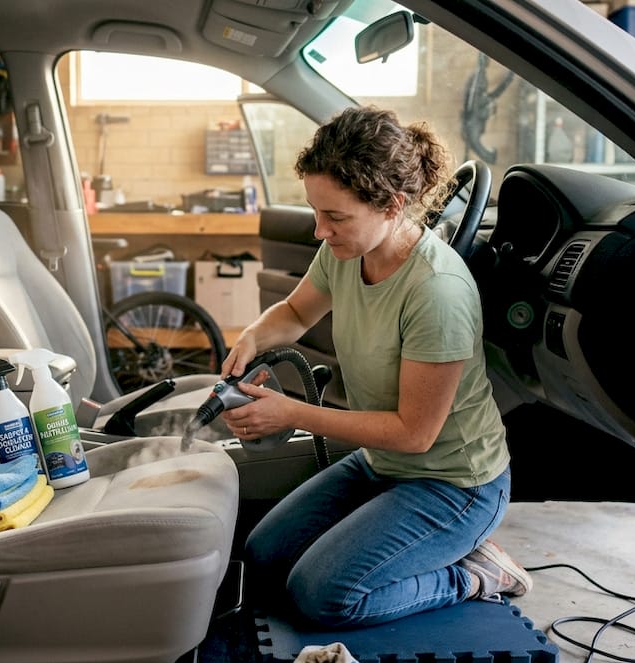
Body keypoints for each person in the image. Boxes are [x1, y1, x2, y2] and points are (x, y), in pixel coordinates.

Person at [221, 106, 530, 628]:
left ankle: (475, 574)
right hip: (382, 463)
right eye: (316, 213)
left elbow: (414, 433)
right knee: (264, 557)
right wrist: (251, 339)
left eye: (335, 218)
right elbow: (296, 312)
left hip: (455, 484)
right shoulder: (346, 252)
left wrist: (289, 414)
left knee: (320, 596)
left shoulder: (437, 290)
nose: (321, 231)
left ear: (391, 205)